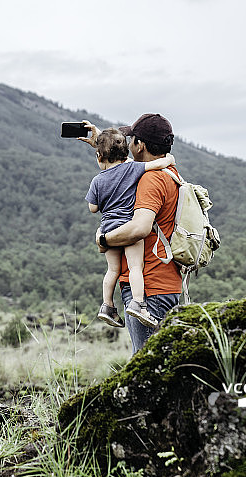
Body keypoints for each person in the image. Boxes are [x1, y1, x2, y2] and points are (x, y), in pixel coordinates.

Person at [88, 113, 183, 353]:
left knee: (144, 362)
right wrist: (102, 142)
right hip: (165, 282)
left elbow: (140, 228)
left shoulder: (150, 179)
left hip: (148, 288)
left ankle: (109, 306)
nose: (128, 145)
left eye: (131, 139)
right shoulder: (168, 174)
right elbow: (121, 171)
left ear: (140, 146)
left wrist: (104, 239)